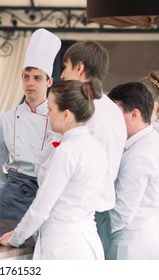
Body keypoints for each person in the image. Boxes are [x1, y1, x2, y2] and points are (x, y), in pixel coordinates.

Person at [0, 79, 107, 260]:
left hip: (63, 247)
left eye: (50, 109)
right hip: (89, 244)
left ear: (66, 115)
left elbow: (41, 207)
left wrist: (16, 238)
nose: (47, 115)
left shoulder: (67, 151)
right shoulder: (96, 147)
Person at [59, 41, 127, 258]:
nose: (62, 76)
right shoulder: (115, 111)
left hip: (78, 220)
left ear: (79, 68)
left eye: (65, 67)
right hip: (104, 218)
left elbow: (62, 169)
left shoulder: (79, 112)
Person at [0, 28, 61, 220]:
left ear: (49, 81)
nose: (30, 83)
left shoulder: (60, 119)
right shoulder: (8, 118)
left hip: (47, 192)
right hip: (14, 193)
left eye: (37, 78)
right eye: (26, 77)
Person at [107, 82, 159, 259]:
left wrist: (96, 232)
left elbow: (122, 213)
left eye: (115, 113)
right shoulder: (151, 141)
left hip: (130, 245)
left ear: (134, 114)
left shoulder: (139, 155)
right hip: (146, 237)